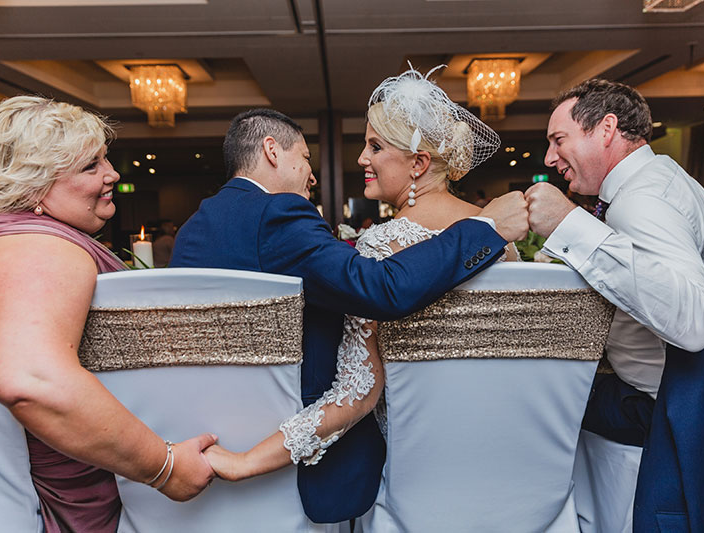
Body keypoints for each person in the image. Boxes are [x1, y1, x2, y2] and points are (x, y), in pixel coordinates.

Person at [170, 104, 529, 522]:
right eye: (305, 157)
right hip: (505, 442)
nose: (314, 173)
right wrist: (484, 229)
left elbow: (360, 382)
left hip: (212, 430)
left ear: (419, 163)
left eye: (374, 146)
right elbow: (380, 288)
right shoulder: (280, 213)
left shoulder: (194, 227)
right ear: (272, 151)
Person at [0, 96, 217, 532]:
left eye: (105, 159)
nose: (113, 174)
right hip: (77, 489)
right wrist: (165, 467)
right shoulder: (37, 245)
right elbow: (31, 379)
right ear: (34, 185)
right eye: (90, 166)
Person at [525, 79, 704, 526]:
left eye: (558, 140)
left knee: (542, 404)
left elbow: (696, 322)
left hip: (668, 406)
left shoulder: (638, 200)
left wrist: (570, 226)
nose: (549, 158)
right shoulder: (664, 176)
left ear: (606, 129)